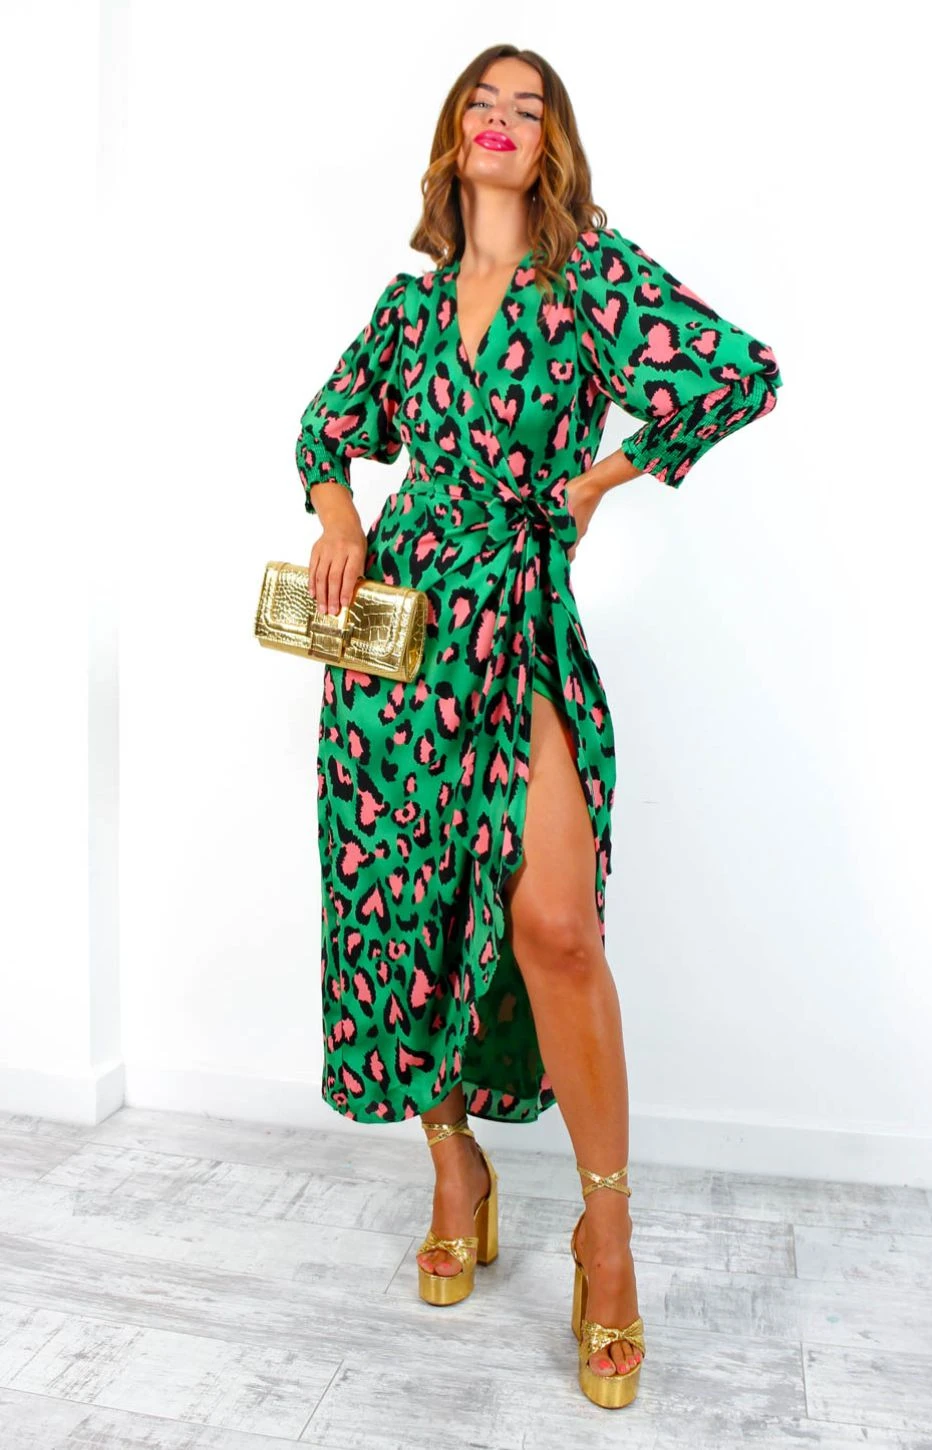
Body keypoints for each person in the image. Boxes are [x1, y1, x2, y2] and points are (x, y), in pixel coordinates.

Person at [295, 43, 782, 1410]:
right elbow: (324, 431)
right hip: (400, 642)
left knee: (555, 926)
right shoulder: (406, 311)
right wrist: (337, 515)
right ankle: (453, 1166)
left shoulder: (590, 284)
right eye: (482, 102)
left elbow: (736, 374)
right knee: (403, 909)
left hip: (515, 624)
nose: (502, 120)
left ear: (550, 144)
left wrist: (602, 478)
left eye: (529, 107)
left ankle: (605, 1235)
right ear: (454, 138)